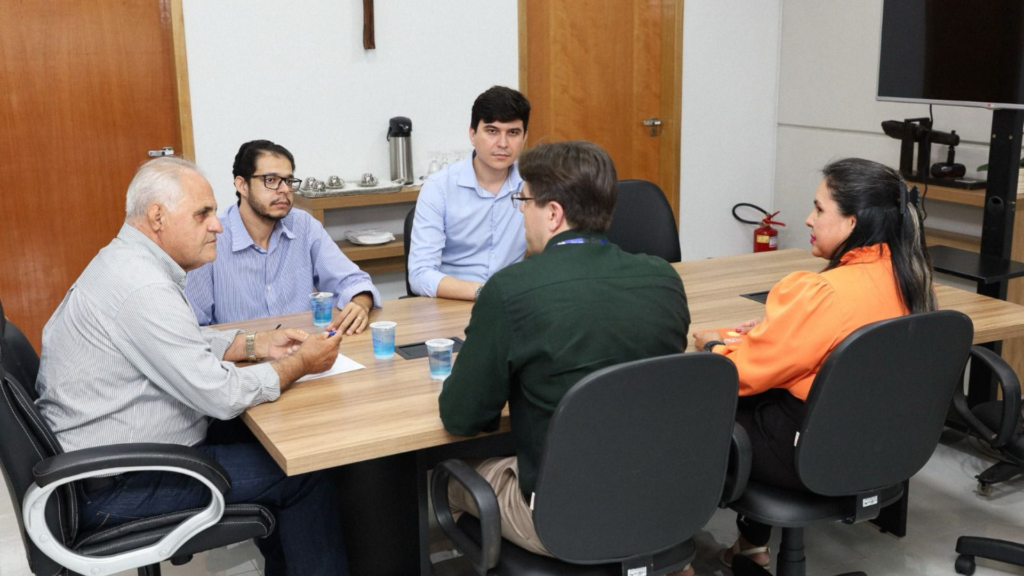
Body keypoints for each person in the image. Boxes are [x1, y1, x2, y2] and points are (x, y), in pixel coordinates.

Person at [35, 157, 351, 576]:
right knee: (304, 472)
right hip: (117, 483)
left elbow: (181, 341)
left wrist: (255, 343)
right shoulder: (143, 287)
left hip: (117, 458)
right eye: (202, 214)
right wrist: (301, 362)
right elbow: (223, 395)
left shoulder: (128, 262)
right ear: (158, 217)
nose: (217, 225)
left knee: (277, 437)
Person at [438, 141, 691, 560]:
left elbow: (461, 417)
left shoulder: (511, 290)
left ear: (553, 214)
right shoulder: (664, 279)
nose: (521, 213)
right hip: (661, 502)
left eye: (524, 201)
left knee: (447, 481)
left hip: (562, 520)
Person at [693, 158, 936, 570]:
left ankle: (672, 554)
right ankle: (750, 546)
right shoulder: (911, 279)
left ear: (852, 222)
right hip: (882, 448)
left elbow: (743, 376)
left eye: (820, 209)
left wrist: (714, 346)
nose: (808, 219)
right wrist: (776, 328)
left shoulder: (823, 292)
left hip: (811, 455)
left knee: (700, 406)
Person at [186, 140, 380, 335]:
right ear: (242, 185)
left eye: (288, 181)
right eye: (271, 180)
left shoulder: (303, 225)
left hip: (305, 346)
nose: (285, 189)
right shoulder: (212, 237)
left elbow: (352, 281)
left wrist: (361, 302)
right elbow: (195, 328)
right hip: (243, 352)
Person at [408, 86, 531, 300]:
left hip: (514, 304)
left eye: (513, 133)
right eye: (492, 131)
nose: (503, 144)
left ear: (525, 137)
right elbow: (420, 275)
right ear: (472, 134)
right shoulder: (439, 187)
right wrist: (488, 293)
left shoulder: (534, 185)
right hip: (453, 302)